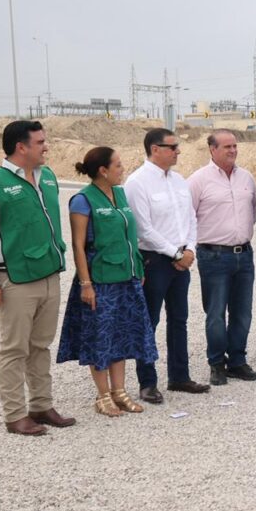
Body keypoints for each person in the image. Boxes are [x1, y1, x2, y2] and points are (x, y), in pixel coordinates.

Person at [0, 120, 76, 436]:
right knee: (14, 349)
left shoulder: (48, 176)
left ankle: (41, 405)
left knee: (40, 346)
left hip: (49, 275)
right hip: (13, 279)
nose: (46, 147)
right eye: (40, 142)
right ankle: (15, 415)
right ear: (21, 147)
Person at [56, 147, 158, 416]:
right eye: (118, 165)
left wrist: (137, 266)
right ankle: (103, 396)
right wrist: (86, 284)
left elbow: (129, 235)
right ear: (103, 170)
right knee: (99, 338)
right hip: (100, 281)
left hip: (126, 278)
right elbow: (78, 246)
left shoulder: (120, 194)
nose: (122, 169)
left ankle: (119, 391)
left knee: (121, 335)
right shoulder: (83, 200)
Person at [124, 128, 209, 402]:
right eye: (172, 147)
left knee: (179, 320)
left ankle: (179, 376)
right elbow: (143, 228)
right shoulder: (137, 182)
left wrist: (190, 249)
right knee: (149, 321)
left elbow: (191, 218)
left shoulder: (179, 180)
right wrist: (175, 253)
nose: (177, 151)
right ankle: (147, 382)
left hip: (182, 259)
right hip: (155, 261)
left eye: (177, 146)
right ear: (155, 149)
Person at [188, 130, 256, 386]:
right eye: (227, 146)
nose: (233, 150)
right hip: (213, 256)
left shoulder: (247, 178)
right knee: (216, 313)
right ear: (212, 149)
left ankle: (237, 361)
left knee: (242, 312)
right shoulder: (198, 180)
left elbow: (253, 212)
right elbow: (187, 217)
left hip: (244, 255)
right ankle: (217, 363)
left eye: (235, 146)